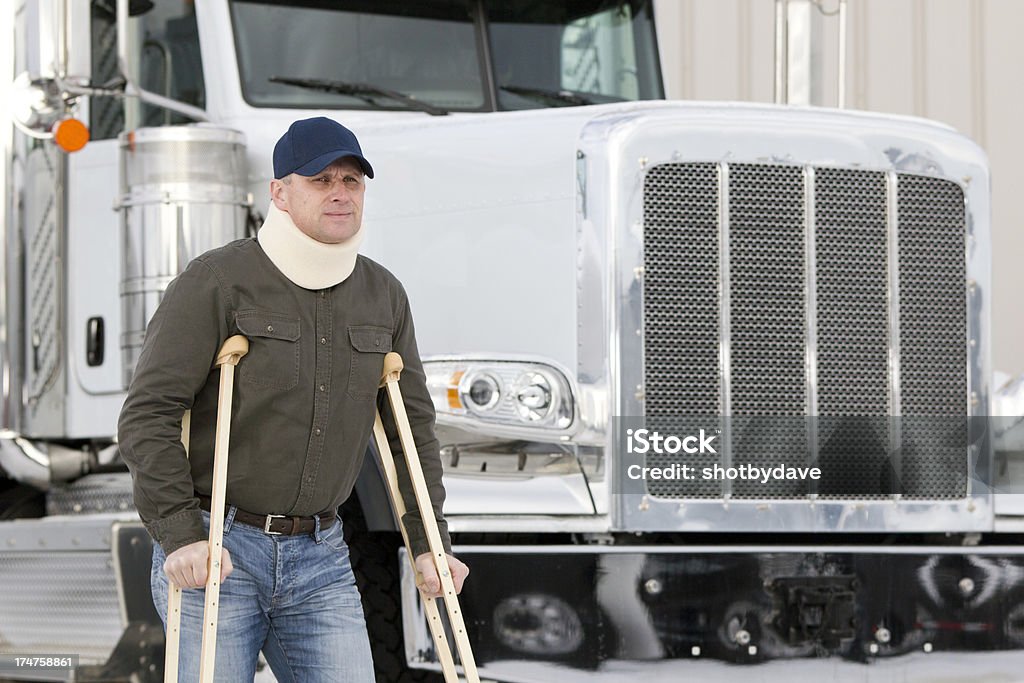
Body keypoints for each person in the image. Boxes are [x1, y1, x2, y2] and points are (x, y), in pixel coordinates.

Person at [118, 116, 468, 682]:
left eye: (351, 181)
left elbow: (411, 432)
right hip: (218, 548)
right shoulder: (216, 282)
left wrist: (430, 543)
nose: (339, 193)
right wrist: (179, 533)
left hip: (322, 557)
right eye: (320, 179)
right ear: (279, 193)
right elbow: (148, 415)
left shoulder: (383, 294)